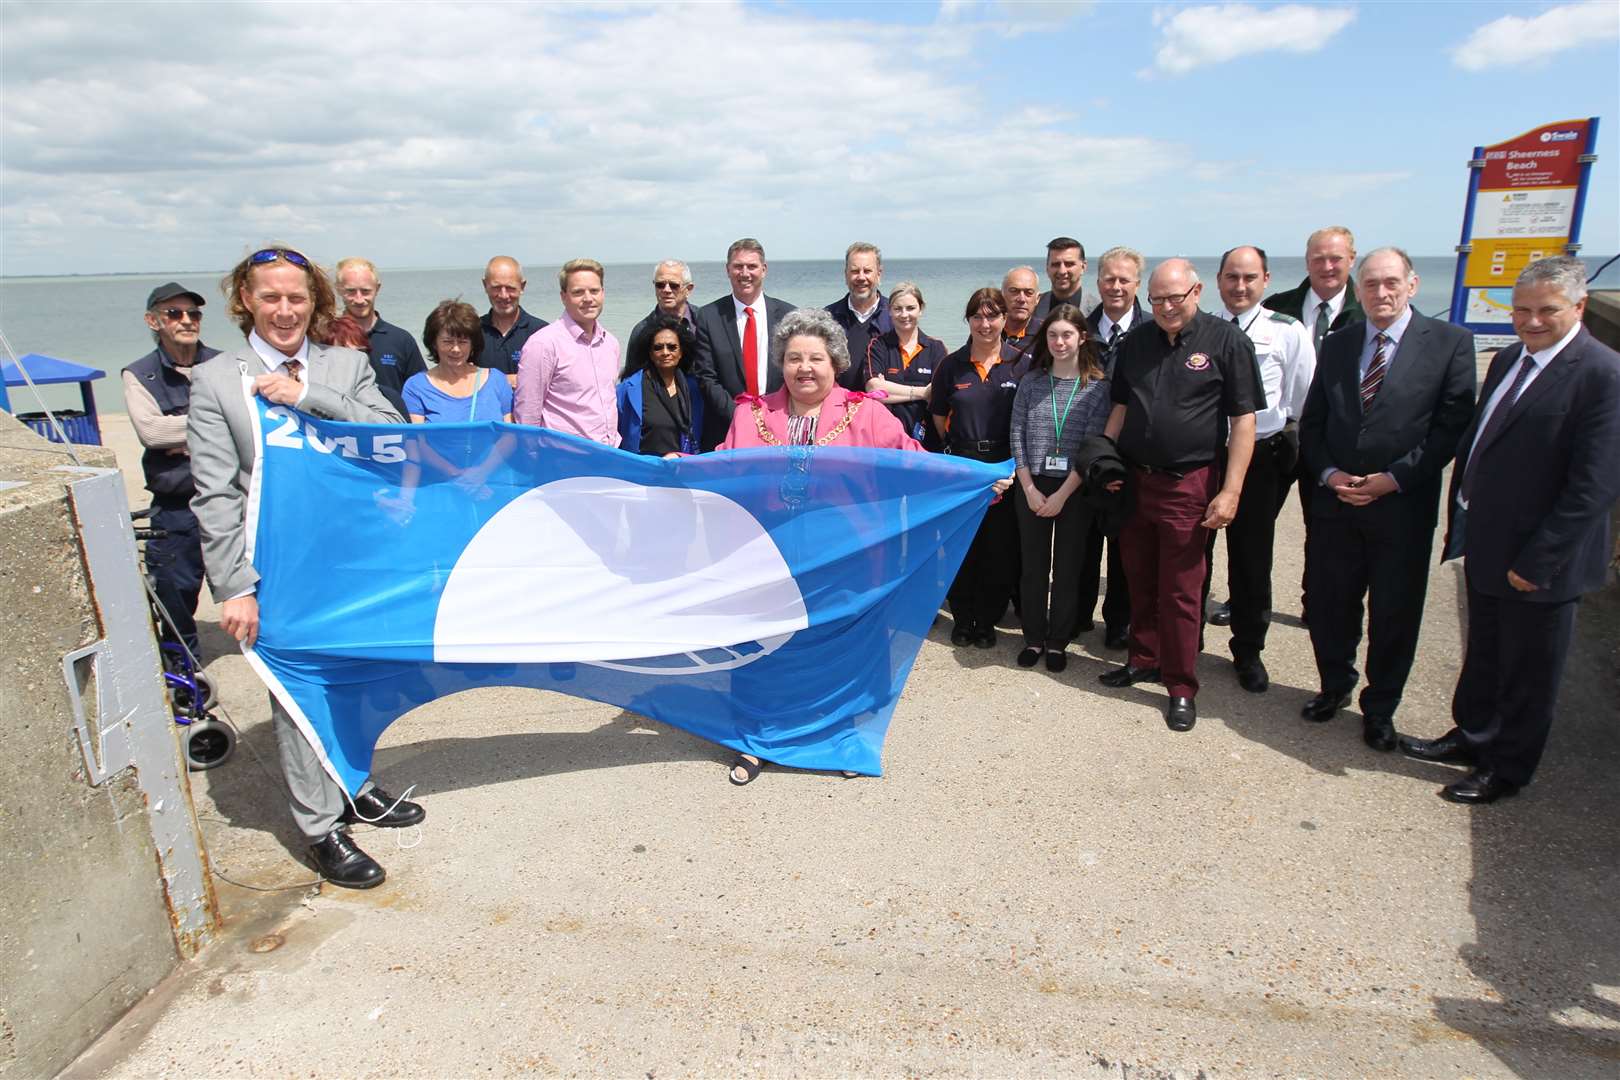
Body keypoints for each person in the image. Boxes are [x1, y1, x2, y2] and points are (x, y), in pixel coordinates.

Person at [187, 245, 419, 889]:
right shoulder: (214, 380)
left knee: (356, 679)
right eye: (270, 296)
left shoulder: (345, 364)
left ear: (315, 301)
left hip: (351, 561)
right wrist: (233, 586)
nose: (284, 309)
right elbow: (214, 494)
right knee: (297, 691)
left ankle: (354, 784)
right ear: (246, 303)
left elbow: (391, 433)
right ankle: (320, 828)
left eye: (296, 297)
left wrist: (309, 395)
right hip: (277, 570)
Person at [718, 308, 1009, 785]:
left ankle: (841, 737)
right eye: (793, 358)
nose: (804, 368)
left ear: (835, 363)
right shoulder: (751, 414)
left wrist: (975, 480)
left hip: (848, 558)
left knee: (845, 646)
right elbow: (720, 469)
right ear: (781, 364)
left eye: (815, 358)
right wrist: (674, 469)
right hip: (772, 558)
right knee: (770, 648)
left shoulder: (866, 413)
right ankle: (757, 738)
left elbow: (916, 464)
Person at [1402, 257, 1620, 803]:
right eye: (1522, 310)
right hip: (1490, 539)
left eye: (1547, 310)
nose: (1532, 321)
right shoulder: (1506, 361)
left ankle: (1508, 767)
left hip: (1541, 557)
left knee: (1530, 671)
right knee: (1488, 652)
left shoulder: (1602, 374)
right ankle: (1472, 736)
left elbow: (1593, 486)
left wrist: (1539, 560)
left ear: (1579, 306)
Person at [1297, 247, 1475, 751]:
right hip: (1336, 505)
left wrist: (1393, 478)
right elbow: (1314, 423)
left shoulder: (1450, 343)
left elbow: (1450, 428)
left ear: (1413, 284)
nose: (1382, 292)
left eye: (1391, 282)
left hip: (1402, 506)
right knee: (1331, 604)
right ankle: (1334, 685)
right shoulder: (1338, 342)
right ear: (1358, 290)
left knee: (1395, 613)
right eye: (1371, 284)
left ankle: (1380, 708)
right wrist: (1330, 474)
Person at [1098, 259, 1262, 733]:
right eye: (1158, 299)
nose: (1168, 307)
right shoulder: (1136, 342)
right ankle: (1143, 658)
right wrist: (1103, 459)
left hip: (1189, 482)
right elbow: (1121, 407)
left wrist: (1231, 490)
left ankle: (1181, 685)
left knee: (1183, 589)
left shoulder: (1227, 341)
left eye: (1177, 297)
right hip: (1135, 480)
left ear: (1196, 291)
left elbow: (1243, 421)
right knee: (1138, 577)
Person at [1205, 246, 1316, 693]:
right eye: (1231, 277)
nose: (1239, 286)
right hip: (1207, 454)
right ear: (1218, 280)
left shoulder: (1287, 331)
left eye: (1249, 277)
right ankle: (1186, 640)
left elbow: (1304, 397)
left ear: (1266, 280)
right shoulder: (1204, 329)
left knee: (1252, 560)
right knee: (1196, 554)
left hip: (1260, 456)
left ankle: (1248, 650)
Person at [1257, 226, 1367, 618]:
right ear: (1307, 261)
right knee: (1258, 524)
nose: (1327, 266)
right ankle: (1248, 600)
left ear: (1351, 260)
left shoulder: (1365, 310)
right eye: (1318, 258)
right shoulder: (1279, 304)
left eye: (1336, 258)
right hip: (1284, 432)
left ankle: (1315, 600)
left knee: (1325, 527)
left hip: (1335, 436)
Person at [1009, 305, 1112, 672]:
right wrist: (1030, 488)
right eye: (1053, 335)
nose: (1059, 342)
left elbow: (1091, 445)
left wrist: (1063, 495)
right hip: (1032, 484)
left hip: (1074, 488)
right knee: (1032, 567)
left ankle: (1057, 641)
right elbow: (1016, 435)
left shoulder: (1097, 387)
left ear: (1082, 337)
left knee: (1067, 569)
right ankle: (1034, 637)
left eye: (1067, 334)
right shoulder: (1032, 381)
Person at [122, 282, 221, 659]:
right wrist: (214, 424)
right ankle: (183, 669)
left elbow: (246, 423)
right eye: (174, 314)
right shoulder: (139, 375)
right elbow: (151, 432)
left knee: (258, 585)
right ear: (153, 321)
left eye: (193, 314)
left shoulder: (224, 364)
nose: (186, 321)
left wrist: (182, 429)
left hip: (231, 499)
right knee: (175, 594)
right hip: (177, 504)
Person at [929, 287, 1032, 648]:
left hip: (1006, 466)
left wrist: (1012, 465)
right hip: (962, 466)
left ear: (1005, 319)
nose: (985, 324)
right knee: (960, 547)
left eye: (992, 316)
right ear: (968, 320)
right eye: (977, 316)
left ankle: (986, 622)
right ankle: (963, 617)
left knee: (998, 550)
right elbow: (940, 418)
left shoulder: (1022, 364)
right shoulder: (951, 365)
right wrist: (963, 450)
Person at [1078, 247, 1147, 649]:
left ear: (1138, 283)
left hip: (1132, 453)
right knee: (1084, 541)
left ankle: (1119, 621)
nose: (1116, 286)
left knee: (1125, 546)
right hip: (1086, 450)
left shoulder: (1153, 331)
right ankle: (1079, 615)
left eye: (1124, 280)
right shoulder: (1079, 328)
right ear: (1098, 281)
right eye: (1109, 279)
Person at [692, 238, 795, 449]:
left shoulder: (789, 315)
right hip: (726, 429)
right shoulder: (708, 316)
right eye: (738, 266)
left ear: (764, 269)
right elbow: (706, 378)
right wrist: (743, 418)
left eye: (752, 266)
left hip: (780, 426)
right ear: (728, 270)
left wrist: (770, 418)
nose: (745, 273)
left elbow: (794, 372)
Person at [514, 259, 621, 445]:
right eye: (578, 292)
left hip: (609, 456)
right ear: (564, 296)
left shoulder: (610, 343)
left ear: (603, 293)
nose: (588, 298)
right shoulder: (543, 344)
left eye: (594, 291)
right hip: (564, 460)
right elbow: (527, 413)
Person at [334, 257, 426, 416]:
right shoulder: (327, 338)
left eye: (365, 291)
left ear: (377, 289)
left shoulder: (401, 339)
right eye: (350, 291)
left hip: (393, 430)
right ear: (339, 289)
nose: (359, 299)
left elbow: (421, 392)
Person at [863, 281, 947, 450]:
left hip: (928, 442)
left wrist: (890, 389)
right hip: (886, 442)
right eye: (897, 308)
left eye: (910, 308)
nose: (904, 314)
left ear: (921, 309)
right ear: (889, 311)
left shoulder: (936, 348)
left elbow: (938, 394)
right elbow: (874, 391)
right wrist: (923, 392)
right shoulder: (878, 346)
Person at [403, 300, 514, 423]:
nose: (456, 349)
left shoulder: (496, 380)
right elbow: (415, 438)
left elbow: (509, 434)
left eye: (463, 342)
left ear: (473, 344)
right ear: (434, 343)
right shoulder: (416, 386)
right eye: (447, 341)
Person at [616, 313, 704, 456]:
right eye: (658, 347)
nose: (665, 352)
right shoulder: (629, 390)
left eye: (672, 347)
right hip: (642, 470)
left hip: (682, 467)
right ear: (650, 353)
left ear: (681, 352)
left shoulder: (694, 389)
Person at [826, 242, 892, 390]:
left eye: (867, 271)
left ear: (879, 274)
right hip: (838, 406)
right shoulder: (827, 318)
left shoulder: (895, 316)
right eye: (855, 271)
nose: (861, 277)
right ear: (846, 275)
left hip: (884, 407)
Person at [478, 256, 548, 387]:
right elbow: (458, 378)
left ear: (522, 286)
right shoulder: (472, 332)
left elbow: (554, 380)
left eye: (510, 288)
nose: (503, 295)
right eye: (496, 287)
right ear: (485, 285)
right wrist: (506, 380)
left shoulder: (542, 332)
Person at [624, 260, 698, 374]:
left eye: (674, 285)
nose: (666, 290)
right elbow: (632, 377)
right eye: (660, 285)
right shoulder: (642, 330)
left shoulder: (704, 321)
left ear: (688, 289)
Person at [1032, 236, 1101, 322]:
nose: (1062, 271)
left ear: (1083, 267)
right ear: (1047, 268)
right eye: (1056, 264)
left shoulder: (1099, 310)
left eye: (1069, 264)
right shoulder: (1033, 307)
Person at [1000, 267, 1042, 361]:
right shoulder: (989, 331)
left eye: (1029, 293)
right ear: (1002, 295)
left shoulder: (1046, 336)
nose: (1021, 299)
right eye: (1014, 291)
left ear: (1037, 299)